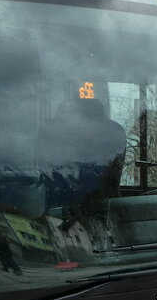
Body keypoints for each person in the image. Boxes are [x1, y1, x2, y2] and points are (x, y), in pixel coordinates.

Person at [37, 92, 126, 225]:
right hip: (93, 211)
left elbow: (110, 178)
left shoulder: (50, 130)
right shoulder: (116, 130)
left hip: (90, 211)